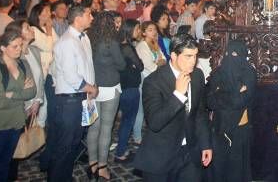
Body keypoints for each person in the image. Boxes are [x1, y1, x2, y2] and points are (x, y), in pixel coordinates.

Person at [133, 33, 212, 181]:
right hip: (162, 155)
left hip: (189, 153)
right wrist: (178, 95)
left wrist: (205, 143)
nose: (193, 62)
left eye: (195, 56)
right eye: (188, 56)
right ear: (174, 56)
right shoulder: (154, 81)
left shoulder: (197, 76)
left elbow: (199, 113)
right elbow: (155, 122)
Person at [0, 29, 37, 182]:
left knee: (4, 164)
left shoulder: (23, 64)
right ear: (3, 48)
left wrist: (11, 94)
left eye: (20, 45)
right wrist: (21, 91)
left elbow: (32, 92)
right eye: (14, 46)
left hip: (16, 122)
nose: (19, 49)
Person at [46, 2, 97, 182]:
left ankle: (65, 177)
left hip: (81, 97)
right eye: (88, 14)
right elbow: (71, 76)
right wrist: (90, 87)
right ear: (78, 18)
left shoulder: (84, 38)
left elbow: (87, 67)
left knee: (74, 142)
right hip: (69, 100)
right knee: (65, 145)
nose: (91, 17)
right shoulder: (67, 41)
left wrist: (91, 87)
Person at [206, 39, 256, 182]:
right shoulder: (218, 73)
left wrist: (220, 94)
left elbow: (241, 101)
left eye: (235, 54)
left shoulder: (249, 73)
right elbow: (209, 101)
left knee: (237, 168)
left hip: (240, 126)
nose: (231, 58)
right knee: (220, 166)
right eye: (228, 53)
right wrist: (236, 92)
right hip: (220, 125)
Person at [86, 11, 125, 181]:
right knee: (106, 129)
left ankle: (92, 164)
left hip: (93, 87)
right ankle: (102, 167)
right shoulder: (111, 43)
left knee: (93, 128)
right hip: (109, 87)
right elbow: (122, 65)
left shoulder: (89, 40)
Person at [115, 19, 143, 162]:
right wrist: (134, 65)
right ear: (129, 29)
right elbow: (140, 66)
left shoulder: (120, 45)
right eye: (137, 29)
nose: (139, 32)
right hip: (130, 88)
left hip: (123, 88)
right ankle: (120, 152)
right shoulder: (127, 47)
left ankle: (122, 148)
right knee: (128, 121)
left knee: (126, 120)